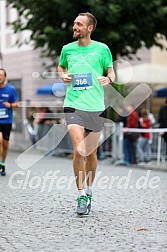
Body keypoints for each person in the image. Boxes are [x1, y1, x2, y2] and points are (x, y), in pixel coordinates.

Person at [57, 12, 115, 215]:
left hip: (95, 107)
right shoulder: (67, 49)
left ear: (90, 28)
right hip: (73, 104)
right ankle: (80, 194)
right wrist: (63, 75)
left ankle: (89, 190)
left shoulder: (102, 49)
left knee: (91, 152)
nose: (75, 27)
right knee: (79, 148)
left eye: (79, 24)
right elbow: (61, 66)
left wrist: (109, 79)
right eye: (74, 23)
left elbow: (111, 71)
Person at [0, 68, 19, 176]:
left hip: (7, 120)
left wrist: (10, 105)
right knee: (0, 140)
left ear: (5, 77)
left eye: (1, 75)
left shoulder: (11, 89)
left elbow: (17, 104)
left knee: (5, 144)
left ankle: (2, 163)